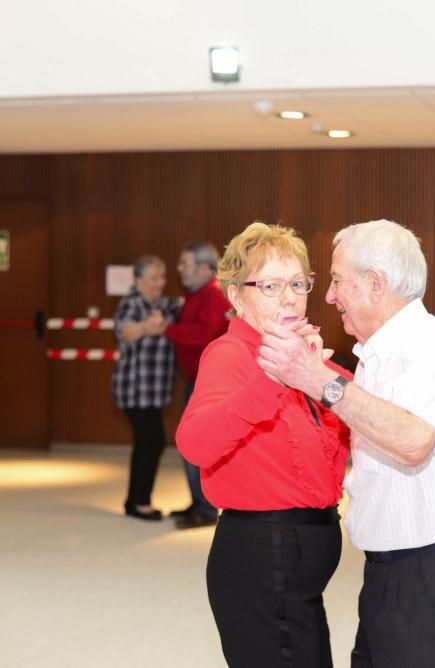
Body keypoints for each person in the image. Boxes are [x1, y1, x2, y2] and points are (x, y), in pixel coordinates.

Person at [259, 219, 435, 668]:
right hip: (392, 574)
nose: (329, 296)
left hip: (434, 575)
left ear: (374, 283)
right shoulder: (378, 355)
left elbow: (413, 441)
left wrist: (316, 379)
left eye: (336, 280)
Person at [176, 222, 351, 667]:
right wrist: (270, 380)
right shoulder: (230, 355)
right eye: (270, 285)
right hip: (260, 557)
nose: (289, 296)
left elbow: (357, 413)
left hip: (296, 567)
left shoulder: (304, 355)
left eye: (297, 283)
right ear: (237, 297)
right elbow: (194, 443)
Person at [165, 242, 230, 530]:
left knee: (194, 442)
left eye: (185, 263)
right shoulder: (196, 295)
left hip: (210, 381)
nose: (180, 269)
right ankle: (198, 502)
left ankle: (204, 508)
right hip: (198, 379)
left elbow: (203, 334)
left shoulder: (214, 295)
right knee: (189, 441)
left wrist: (166, 329)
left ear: (205, 268)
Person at [112, 255, 179, 520]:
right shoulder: (130, 303)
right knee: (153, 442)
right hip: (134, 389)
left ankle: (133, 501)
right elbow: (126, 332)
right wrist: (147, 327)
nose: (159, 284)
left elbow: (182, 316)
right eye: (153, 278)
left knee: (145, 443)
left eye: (162, 278)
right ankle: (141, 503)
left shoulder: (164, 305)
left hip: (155, 391)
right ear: (138, 280)